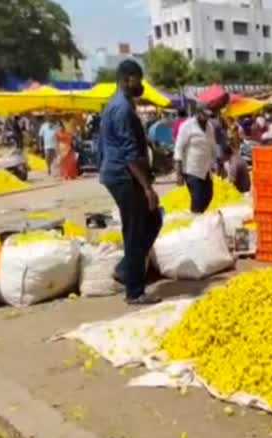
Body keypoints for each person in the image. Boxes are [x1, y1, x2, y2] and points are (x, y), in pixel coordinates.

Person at [99, 59, 162, 305]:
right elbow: (128, 153)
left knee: (152, 219)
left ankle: (127, 269)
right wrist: (147, 188)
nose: (141, 84)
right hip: (124, 176)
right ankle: (134, 291)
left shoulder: (116, 105)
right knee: (135, 230)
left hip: (116, 173)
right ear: (127, 79)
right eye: (139, 78)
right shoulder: (122, 108)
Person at [174, 103, 217, 214]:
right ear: (198, 113)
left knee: (208, 195)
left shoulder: (209, 127)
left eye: (208, 115)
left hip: (205, 169)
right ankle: (196, 223)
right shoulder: (187, 126)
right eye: (204, 115)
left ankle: (198, 216)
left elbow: (212, 146)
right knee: (197, 199)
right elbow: (178, 148)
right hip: (191, 170)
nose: (207, 118)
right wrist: (178, 173)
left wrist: (218, 163)